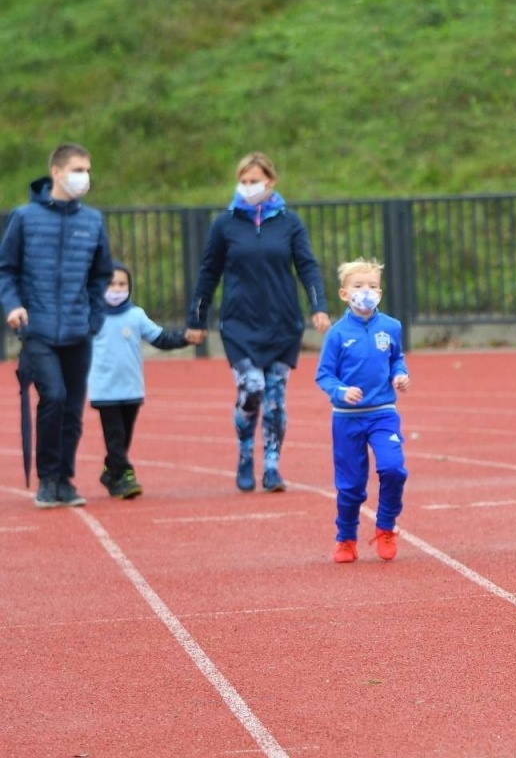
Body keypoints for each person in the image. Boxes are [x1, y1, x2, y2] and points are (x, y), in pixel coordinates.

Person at [186, 153, 330, 494]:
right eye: (244, 181)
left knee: (276, 399)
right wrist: (197, 316)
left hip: (282, 323)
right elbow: (209, 272)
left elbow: (306, 266)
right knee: (252, 389)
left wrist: (318, 307)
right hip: (240, 324)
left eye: (255, 180)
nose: (249, 187)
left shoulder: (290, 223)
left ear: (271, 182)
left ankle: (272, 467)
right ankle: (244, 452)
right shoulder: (225, 224)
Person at [0, 143, 113, 509]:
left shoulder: (93, 221)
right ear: (57, 173)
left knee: (73, 408)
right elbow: (6, 269)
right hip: (38, 329)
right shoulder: (24, 218)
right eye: (79, 169)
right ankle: (47, 480)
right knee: (54, 397)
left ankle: (65, 478)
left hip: (79, 330)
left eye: (88, 170)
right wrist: (14, 305)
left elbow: (101, 276)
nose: (85, 177)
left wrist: (94, 318)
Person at [315, 258, 409, 563]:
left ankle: (385, 527)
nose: (365, 292)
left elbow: (396, 359)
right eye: (358, 286)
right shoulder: (337, 334)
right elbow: (324, 375)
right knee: (351, 484)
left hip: (383, 412)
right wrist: (341, 391)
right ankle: (345, 537)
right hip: (347, 418)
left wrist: (399, 374)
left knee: (393, 468)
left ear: (380, 292)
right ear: (344, 294)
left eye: (371, 286)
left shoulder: (391, 327)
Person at [89, 262, 192, 498]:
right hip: (104, 390)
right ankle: (125, 477)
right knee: (114, 436)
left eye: (121, 284)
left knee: (124, 436)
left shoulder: (136, 316)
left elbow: (161, 339)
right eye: (111, 284)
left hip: (131, 388)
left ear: (129, 287)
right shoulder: (92, 317)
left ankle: (110, 471)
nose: (116, 289)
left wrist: (185, 338)